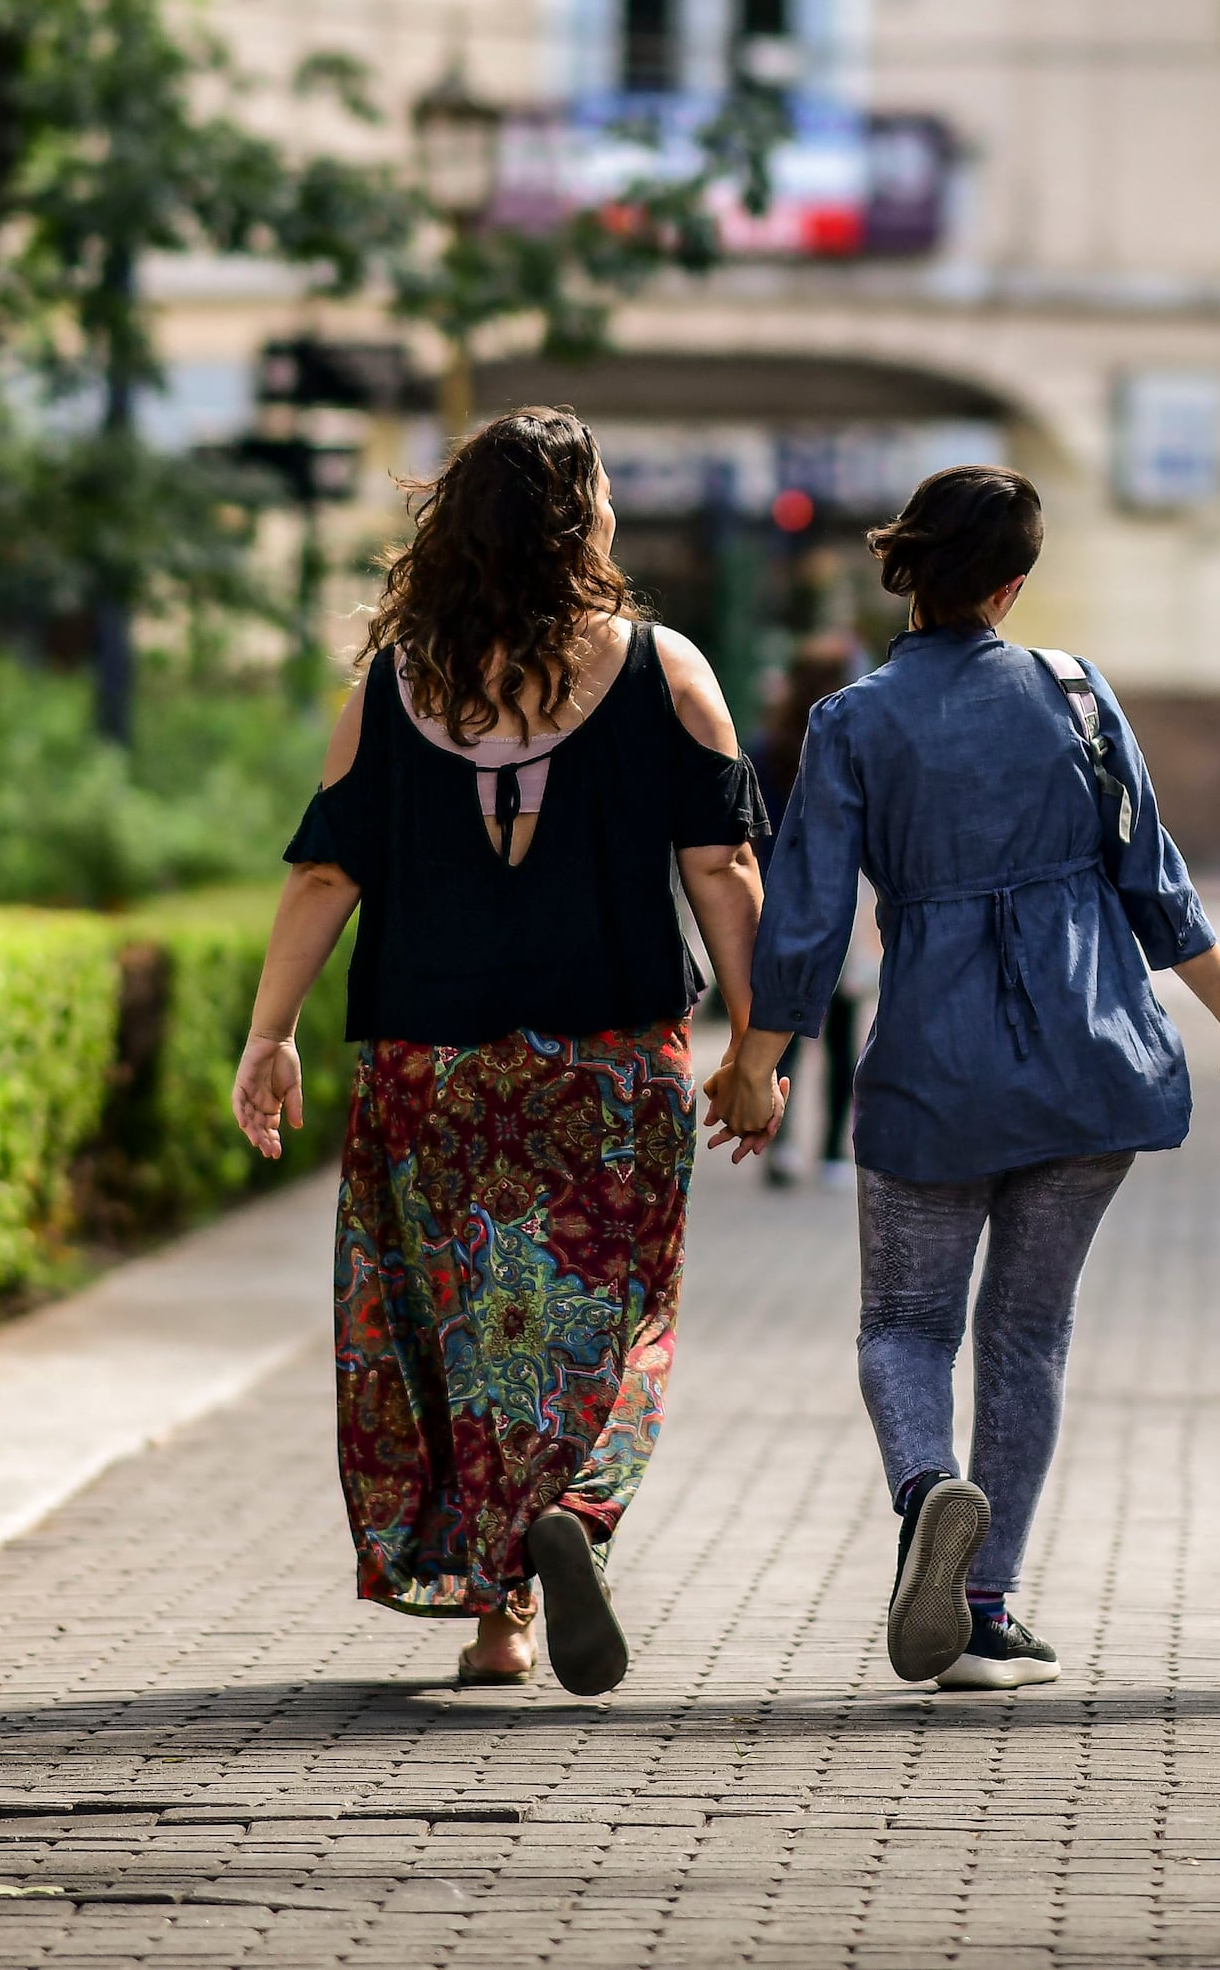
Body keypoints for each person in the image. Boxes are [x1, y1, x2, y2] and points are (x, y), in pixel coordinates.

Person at [715, 467, 1220, 1691]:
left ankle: (932, 1490)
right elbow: (1154, 879)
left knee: (902, 1323)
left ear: (907, 570)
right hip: (1092, 1059)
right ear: (1011, 583)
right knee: (1028, 1332)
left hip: (937, 1061)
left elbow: (810, 918)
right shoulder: (1078, 693)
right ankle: (985, 1609)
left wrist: (754, 1066)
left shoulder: (853, 720)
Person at [230, 409, 769, 1695]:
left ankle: (500, 1619)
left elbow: (323, 873)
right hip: (611, 1061)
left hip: (432, 1067)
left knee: (461, 1330)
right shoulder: (665, 668)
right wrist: (756, 1042)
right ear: (586, 523)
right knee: (613, 1318)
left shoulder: (393, 681)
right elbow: (725, 862)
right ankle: (571, 1513)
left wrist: (270, 1032)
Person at [747, 626, 874, 1191]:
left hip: (777, 904)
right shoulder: (851, 743)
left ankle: (778, 1144)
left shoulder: (764, 747)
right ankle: (830, 1153)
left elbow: (749, 836)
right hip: (840, 901)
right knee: (843, 1033)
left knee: (782, 1029)